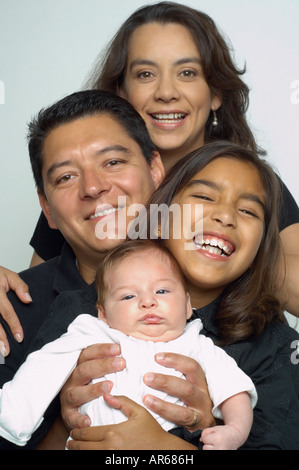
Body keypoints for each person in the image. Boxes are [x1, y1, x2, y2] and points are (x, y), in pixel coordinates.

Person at [1, 2, 299, 350]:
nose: (166, 91)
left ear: (216, 92)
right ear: (121, 94)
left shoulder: (249, 188)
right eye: (145, 74)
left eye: (187, 72)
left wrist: (231, 239)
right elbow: (36, 301)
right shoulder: (89, 195)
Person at [64, 142, 299, 450]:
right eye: (203, 196)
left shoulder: (275, 350)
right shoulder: (82, 309)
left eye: (247, 211)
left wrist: (168, 450)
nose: (226, 217)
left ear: (260, 246)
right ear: (160, 216)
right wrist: (62, 416)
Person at [0, 240, 256, 451]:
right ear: (102, 312)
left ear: (188, 305)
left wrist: (234, 431)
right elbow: (45, 364)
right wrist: (15, 414)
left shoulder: (198, 346)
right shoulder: (95, 332)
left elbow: (235, 391)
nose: (147, 302)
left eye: (163, 291)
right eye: (128, 296)